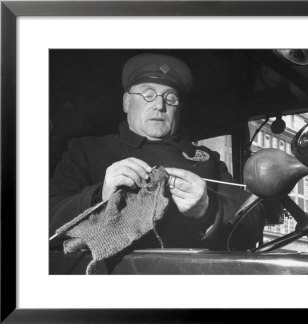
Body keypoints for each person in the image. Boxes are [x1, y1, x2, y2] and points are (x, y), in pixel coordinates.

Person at [50, 53, 265, 251]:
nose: (159, 105)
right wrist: (99, 195)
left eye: (170, 98)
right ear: (127, 102)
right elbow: (43, 222)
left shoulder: (207, 159)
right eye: (148, 94)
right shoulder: (86, 150)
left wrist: (208, 210)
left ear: (178, 108)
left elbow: (251, 226)